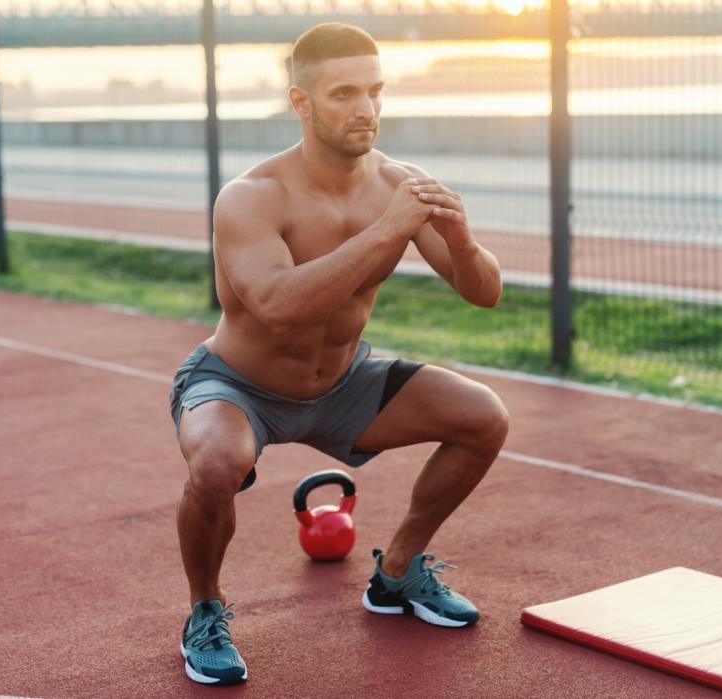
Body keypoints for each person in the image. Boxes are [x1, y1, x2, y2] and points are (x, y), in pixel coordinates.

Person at [169, 22, 509, 685]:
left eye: (376, 91)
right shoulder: (251, 197)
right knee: (218, 461)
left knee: (484, 417)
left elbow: (485, 294)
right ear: (301, 102)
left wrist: (463, 241)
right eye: (346, 93)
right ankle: (204, 609)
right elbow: (277, 305)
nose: (367, 109)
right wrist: (389, 229)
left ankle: (400, 572)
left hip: (342, 384)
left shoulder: (399, 182)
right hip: (240, 384)